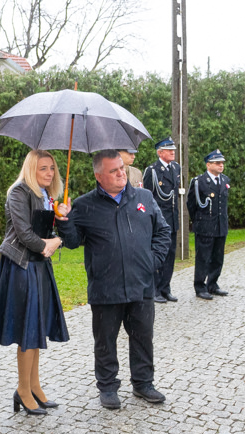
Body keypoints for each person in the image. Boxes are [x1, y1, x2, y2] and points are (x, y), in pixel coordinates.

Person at [58, 150, 171, 410]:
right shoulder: (85, 205)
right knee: (105, 340)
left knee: (143, 336)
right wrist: (63, 220)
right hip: (105, 287)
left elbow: (163, 231)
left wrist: (152, 262)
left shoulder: (143, 197)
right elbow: (73, 242)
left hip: (141, 284)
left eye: (121, 168)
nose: (121, 173)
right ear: (99, 176)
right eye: (114, 170)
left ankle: (143, 383)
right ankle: (108, 386)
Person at [0, 150, 70, 416]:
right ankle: (23, 389)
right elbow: (23, 233)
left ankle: (34, 386)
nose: (49, 173)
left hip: (38, 265)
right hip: (21, 265)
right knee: (27, 327)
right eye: (43, 169)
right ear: (31, 169)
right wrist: (47, 246)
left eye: (52, 169)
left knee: (37, 326)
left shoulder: (45, 195)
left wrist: (61, 220)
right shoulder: (18, 193)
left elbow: (48, 231)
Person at [186, 150, 230, 300]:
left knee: (218, 257)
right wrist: (198, 221)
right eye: (217, 163)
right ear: (208, 164)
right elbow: (191, 204)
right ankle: (200, 286)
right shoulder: (199, 182)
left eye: (222, 163)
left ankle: (213, 284)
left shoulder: (225, 180)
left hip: (220, 225)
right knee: (203, 257)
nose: (221, 165)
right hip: (205, 226)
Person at [143, 138, 181, 302]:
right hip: (158, 222)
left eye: (173, 149)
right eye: (169, 150)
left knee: (170, 255)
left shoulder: (176, 168)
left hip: (171, 219)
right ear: (160, 152)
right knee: (158, 254)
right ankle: (155, 290)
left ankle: (166, 288)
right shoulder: (152, 171)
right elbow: (147, 197)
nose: (173, 152)